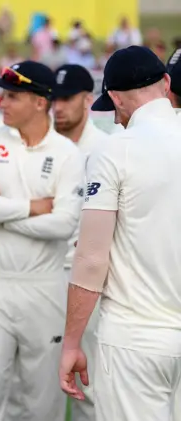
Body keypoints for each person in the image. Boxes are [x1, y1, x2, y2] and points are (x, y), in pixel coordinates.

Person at [59, 45, 181, 421]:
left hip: (135, 338)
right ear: (164, 82)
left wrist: (72, 342)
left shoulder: (115, 150)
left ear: (114, 98)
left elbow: (92, 257)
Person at [0, 61, 85, 421]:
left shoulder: (67, 153)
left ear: (40, 102)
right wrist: (30, 208)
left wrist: (3, 216)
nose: (2, 103)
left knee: (42, 400)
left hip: (46, 288)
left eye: (13, 96)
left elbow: (64, 225)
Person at [51, 63, 109, 421]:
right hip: (44, 273)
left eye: (67, 99)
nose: (58, 106)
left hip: (88, 278)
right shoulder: (46, 146)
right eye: (54, 98)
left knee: (91, 387)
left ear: (88, 99)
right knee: (38, 384)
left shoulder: (107, 148)